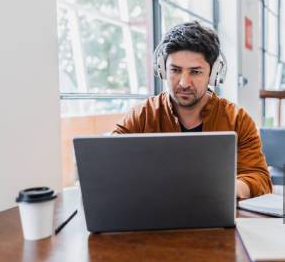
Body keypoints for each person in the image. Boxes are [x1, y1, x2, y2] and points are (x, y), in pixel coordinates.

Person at [113, 21, 272, 199]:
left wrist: (226, 190)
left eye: (195, 72)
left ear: (213, 74)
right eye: (175, 70)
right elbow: (108, 164)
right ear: (163, 70)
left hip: (215, 215)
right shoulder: (142, 116)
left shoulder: (237, 119)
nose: (184, 83)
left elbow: (260, 178)